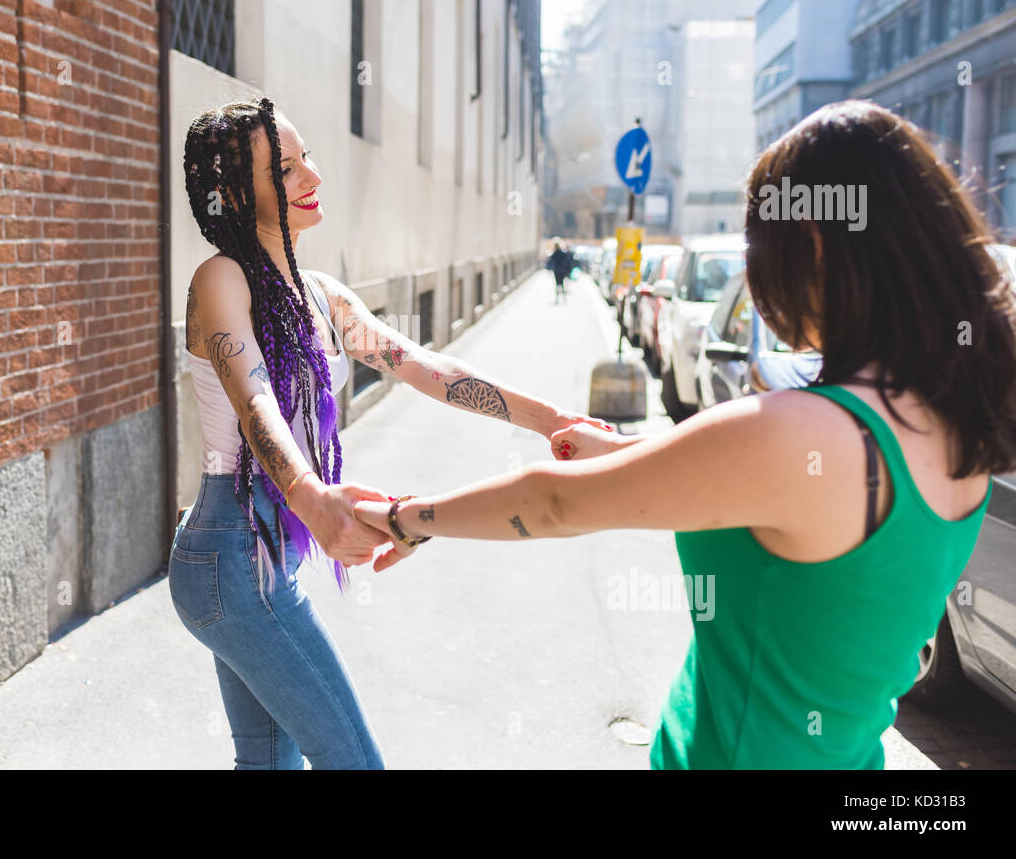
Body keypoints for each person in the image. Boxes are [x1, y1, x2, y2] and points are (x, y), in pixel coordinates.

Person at [354, 100, 1016, 769]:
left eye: (760, 243)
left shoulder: (804, 430)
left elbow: (551, 501)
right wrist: (618, 452)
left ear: (813, 238)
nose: (756, 281)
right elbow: (761, 497)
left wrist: (402, 517)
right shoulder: (961, 432)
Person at [170, 97, 609, 769]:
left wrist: (552, 421)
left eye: (306, 155)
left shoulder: (321, 295)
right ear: (236, 193)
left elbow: (427, 367)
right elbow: (252, 397)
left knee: (269, 765)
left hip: (258, 558)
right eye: (285, 169)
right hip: (230, 552)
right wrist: (311, 495)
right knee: (352, 758)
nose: (311, 176)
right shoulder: (219, 280)